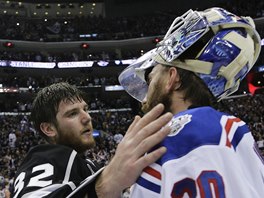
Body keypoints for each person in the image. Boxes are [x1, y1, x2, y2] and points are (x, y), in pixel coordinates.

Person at [119, 7, 264, 197]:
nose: (145, 99)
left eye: (151, 79)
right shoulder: (233, 129)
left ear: (172, 78)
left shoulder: (174, 138)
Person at [11, 82, 173, 198]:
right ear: (49, 129)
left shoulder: (86, 163)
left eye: (85, 109)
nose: (87, 117)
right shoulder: (45, 158)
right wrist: (105, 185)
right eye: (72, 113)